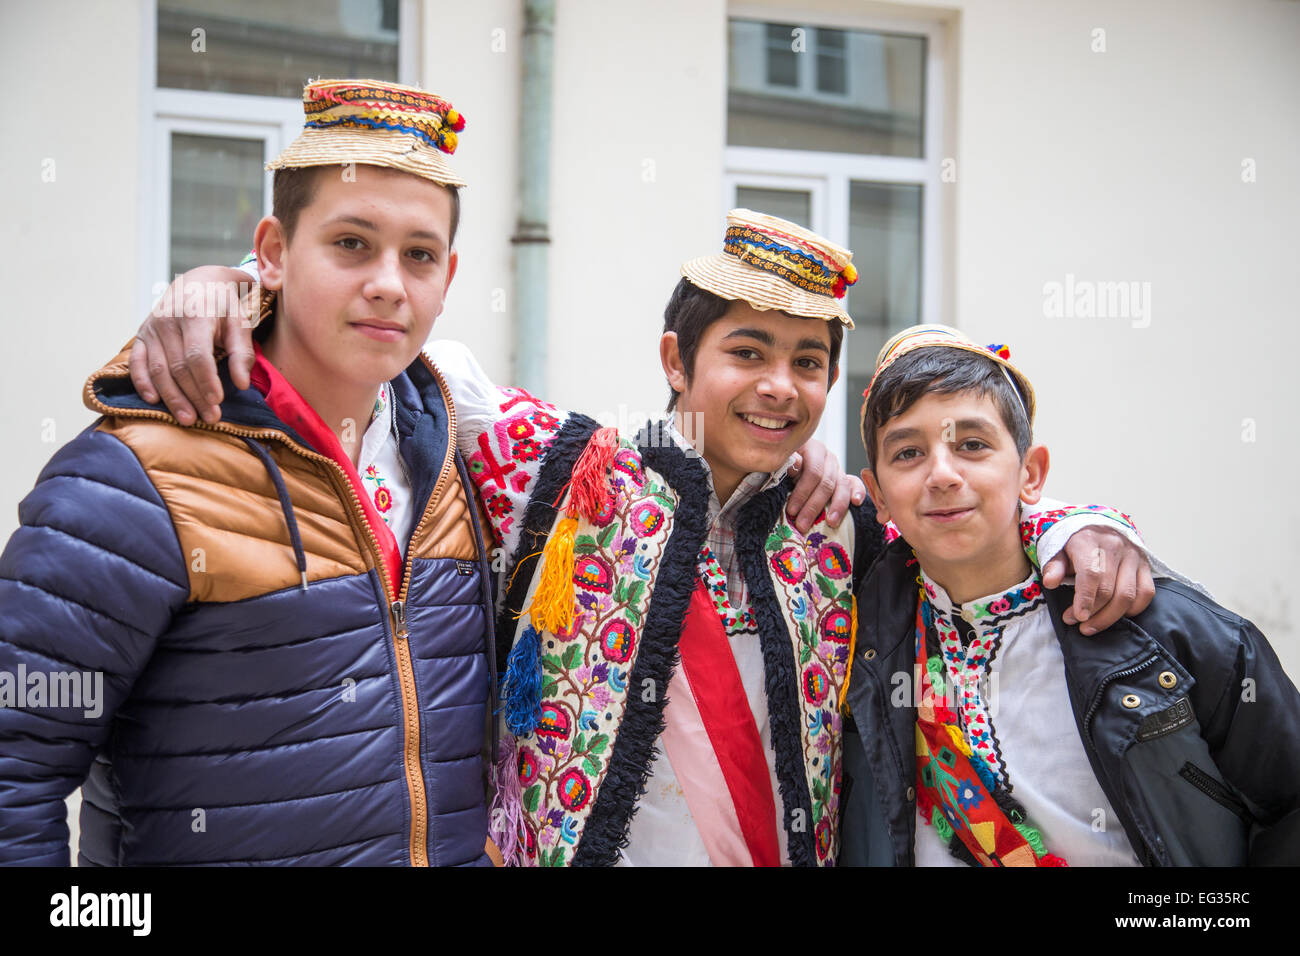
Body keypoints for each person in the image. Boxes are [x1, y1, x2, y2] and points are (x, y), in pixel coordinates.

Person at [129, 207, 1157, 866]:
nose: (777, 385)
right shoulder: (549, 460)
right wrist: (232, 286)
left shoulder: (837, 523)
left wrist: (1083, 521)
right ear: (676, 356)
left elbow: (973, 521)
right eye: (746, 349)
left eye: (807, 362)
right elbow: (369, 337)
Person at [0, 78, 503, 866]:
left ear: (449, 276)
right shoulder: (137, 473)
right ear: (271, 252)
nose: (387, 282)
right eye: (350, 244)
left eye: (419, 255)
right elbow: (14, 766)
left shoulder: (467, 456)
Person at [841, 324, 1300, 866]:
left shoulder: (1156, 630)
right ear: (879, 496)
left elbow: (1287, 803)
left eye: (972, 444)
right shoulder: (861, 632)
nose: (942, 474)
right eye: (909, 453)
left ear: (1031, 474)